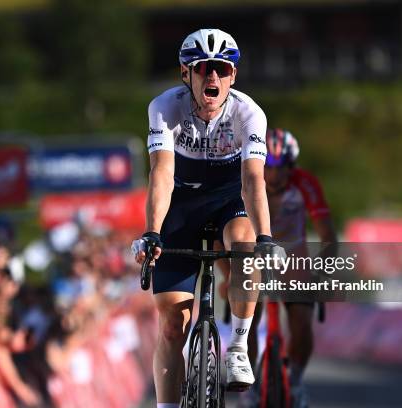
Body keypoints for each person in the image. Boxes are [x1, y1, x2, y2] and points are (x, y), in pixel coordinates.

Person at [132, 28, 283, 408]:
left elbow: (252, 179)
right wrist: (152, 232)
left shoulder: (249, 113)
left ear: (233, 75)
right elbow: (162, 174)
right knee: (171, 327)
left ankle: (237, 345)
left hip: (229, 198)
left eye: (221, 69)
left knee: (246, 247)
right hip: (181, 203)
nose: (212, 77)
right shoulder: (165, 108)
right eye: (203, 69)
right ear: (187, 74)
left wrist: (266, 237)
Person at [243, 129, 337, 408]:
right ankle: (250, 385)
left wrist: (323, 273)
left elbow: (328, 236)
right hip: (254, 255)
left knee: (301, 323)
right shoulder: (247, 181)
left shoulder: (305, 184)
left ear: (291, 166)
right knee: (246, 317)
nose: (274, 175)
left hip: (294, 259)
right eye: (268, 167)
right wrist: (228, 274)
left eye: (281, 167)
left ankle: (294, 380)